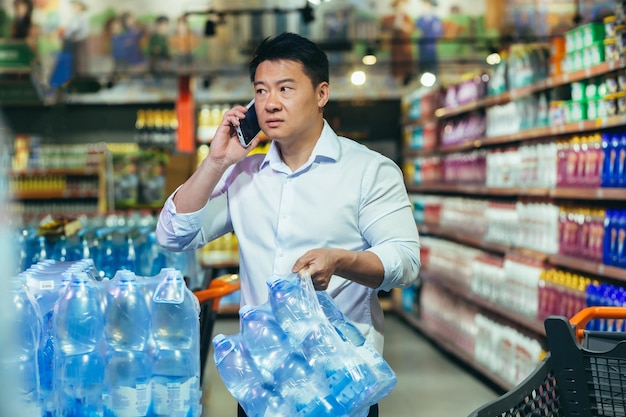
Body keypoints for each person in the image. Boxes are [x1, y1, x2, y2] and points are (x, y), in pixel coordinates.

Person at [156, 32, 421, 417]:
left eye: (285, 88)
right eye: (260, 91)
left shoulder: (369, 171)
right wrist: (216, 162)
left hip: (339, 391)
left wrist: (341, 261)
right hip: (261, 392)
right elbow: (172, 234)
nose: (270, 103)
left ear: (321, 94)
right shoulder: (243, 174)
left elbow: (404, 261)